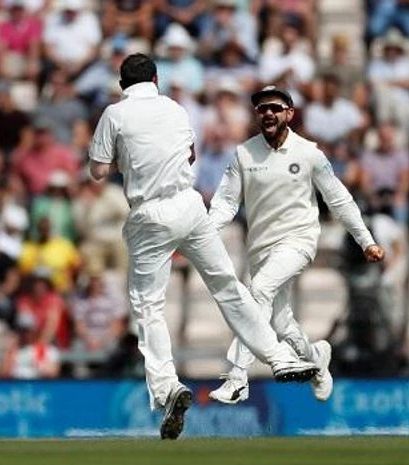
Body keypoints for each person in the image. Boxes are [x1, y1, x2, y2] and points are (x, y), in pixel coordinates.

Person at [88, 54, 319, 440]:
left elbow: (97, 171)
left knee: (148, 307)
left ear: (122, 85)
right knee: (228, 286)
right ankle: (280, 357)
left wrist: (125, 160)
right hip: (190, 206)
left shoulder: (115, 114)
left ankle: (168, 388)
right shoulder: (176, 109)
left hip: (149, 215)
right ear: (156, 79)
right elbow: (191, 155)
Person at [207, 86, 385, 405]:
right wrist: (204, 234)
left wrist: (366, 240)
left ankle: (237, 377)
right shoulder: (243, 154)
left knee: (259, 290)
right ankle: (316, 359)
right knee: (280, 322)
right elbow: (226, 203)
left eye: (275, 108)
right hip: (260, 248)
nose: (268, 113)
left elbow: (338, 199)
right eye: (262, 109)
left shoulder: (309, 153)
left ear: (289, 114)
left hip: (298, 240)